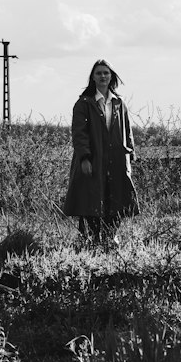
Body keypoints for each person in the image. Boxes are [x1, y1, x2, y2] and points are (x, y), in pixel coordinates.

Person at [63, 59, 139, 246]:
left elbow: (127, 130)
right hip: (93, 158)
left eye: (106, 72)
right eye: (99, 73)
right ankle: (92, 238)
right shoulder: (84, 103)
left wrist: (130, 153)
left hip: (117, 159)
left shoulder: (119, 103)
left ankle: (110, 236)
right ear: (93, 77)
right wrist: (85, 158)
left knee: (117, 196)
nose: (103, 76)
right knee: (91, 197)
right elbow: (79, 133)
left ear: (111, 76)